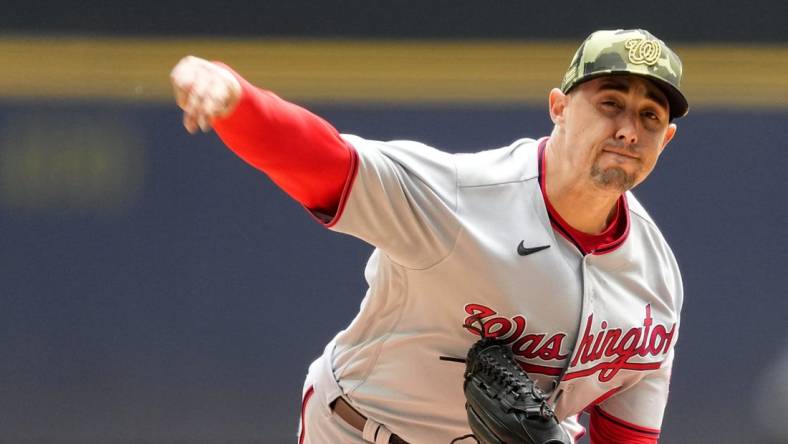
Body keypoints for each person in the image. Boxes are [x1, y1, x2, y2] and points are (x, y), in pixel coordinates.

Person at [170, 29, 687, 444]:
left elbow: (628, 433)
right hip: (364, 429)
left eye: (649, 116)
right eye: (610, 103)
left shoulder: (656, 282)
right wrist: (236, 100)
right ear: (559, 107)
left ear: (665, 138)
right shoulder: (461, 198)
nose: (627, 130)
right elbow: (326, 163)